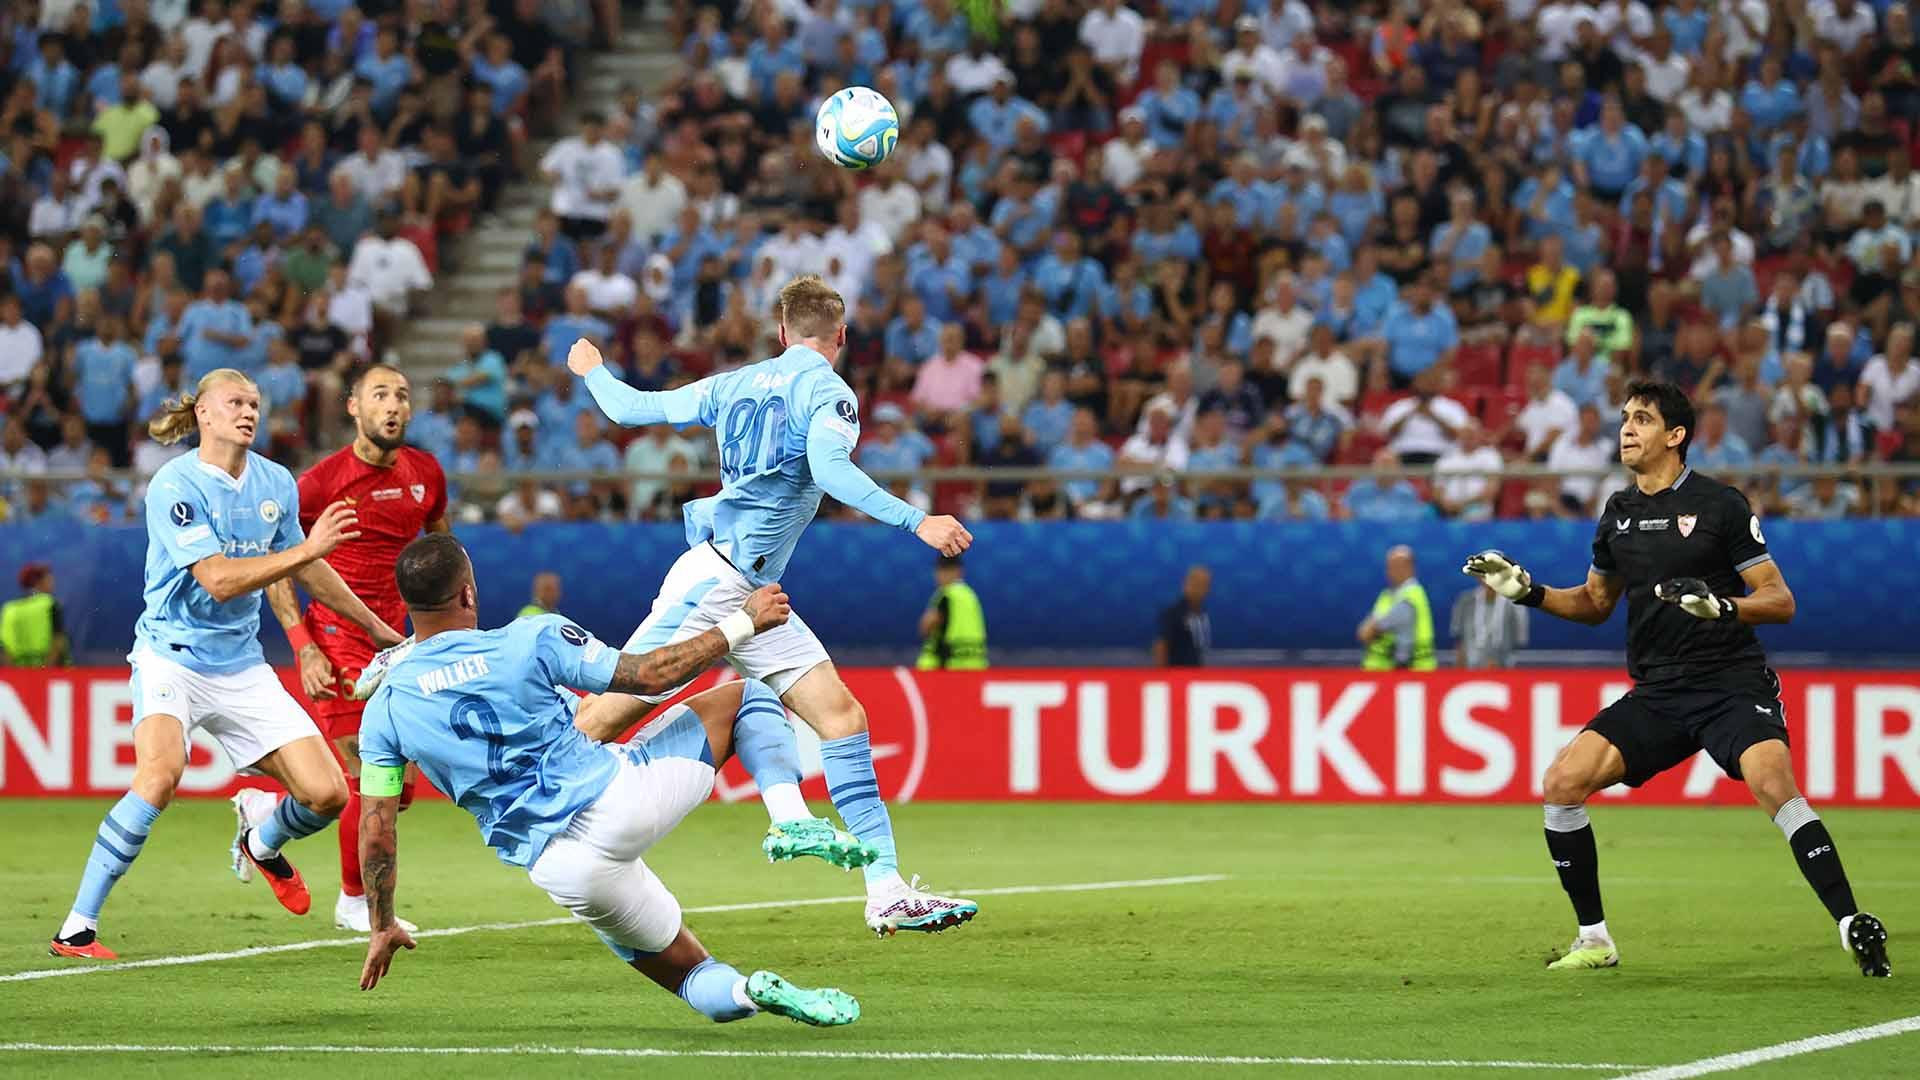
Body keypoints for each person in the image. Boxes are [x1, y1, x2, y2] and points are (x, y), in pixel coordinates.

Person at [440, 274, 977, 936]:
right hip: (714, 582)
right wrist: (917, 521)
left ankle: (887, 888)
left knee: (841, 717)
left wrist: (592, 369)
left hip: (755, 595)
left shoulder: (734, 383)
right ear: (841, 336)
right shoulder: (830, 393)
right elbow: (833, 474)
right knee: (606, 711)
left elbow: (629, 412)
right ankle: (505, 796)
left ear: (781, 333)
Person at [1463, 379, 1891, 977]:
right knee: (1563, 781)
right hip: (1660, 693)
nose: (1627, 429)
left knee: (1773, 783)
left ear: (1675, 435)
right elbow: (1593, 602)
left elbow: (1780, 599)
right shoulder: (1619, 512)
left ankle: (1851, 923)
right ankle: (1594, 940)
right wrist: (1528, 592)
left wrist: (1723, 607)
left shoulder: (1721, 505)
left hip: (1730, 682)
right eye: (1624, 419)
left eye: (1641, 419)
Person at [354, 534, 859, 1027]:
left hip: (561, 868)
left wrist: (381, 925)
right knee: (748, 698)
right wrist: (741, 623)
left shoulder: (384, 710)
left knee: (689, 975)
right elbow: (649, 675)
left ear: (408, 606)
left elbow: (377, 832)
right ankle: (791, 820)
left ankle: (742, 992)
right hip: (617, 800)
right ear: (468, 593)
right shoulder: (530, 638)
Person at [50, 369, 402, 960]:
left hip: (240, 665)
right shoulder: (174, 485)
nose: (248, 412)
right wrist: (306, 549)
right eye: (235, 402)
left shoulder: (275, 482)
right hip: (171, 658)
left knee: (328, 794)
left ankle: (261, 839)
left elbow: (306, 568)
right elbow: (216, 580)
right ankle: (77, 927)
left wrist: (378, 628)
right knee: (160, 776)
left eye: (255, 404)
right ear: (205, 415)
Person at [263, 364, 449, 934]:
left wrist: (442, 633)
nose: (392, 405)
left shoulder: (427, 473)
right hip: (339, 638)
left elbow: (441, 550)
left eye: (401, 395)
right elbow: (279, 563)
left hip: (397, 641)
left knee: (398, 791)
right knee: (366, 773)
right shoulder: (319, 484)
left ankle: (265, 825)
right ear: (354, 408)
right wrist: (303, 646)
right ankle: (352, 899)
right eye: (379, 395)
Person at [1356, 545, 1435, 671]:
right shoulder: (1387, 595)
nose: (1389, 571)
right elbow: (1364, 631)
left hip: (1412, 671)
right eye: (1388, 566)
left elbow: (1370, 631)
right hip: (1379, 670)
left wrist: (1372, 627)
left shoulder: (1410, 596)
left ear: (1408, 567)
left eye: (1394, 566)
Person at [916, 555, 988, 670]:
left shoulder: (946, 595)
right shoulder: (970, 595)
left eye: (942, 570)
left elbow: (928, 625)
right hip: (974, 664)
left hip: (947, 666)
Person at [1450, 581, 1529, 669]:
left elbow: (1519, 639)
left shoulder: (1515, 605)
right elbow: (1458, 635)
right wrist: (1460, 660)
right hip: (1471, 667)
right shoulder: (1466, 600)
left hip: (1503, 667)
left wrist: (1498, 659)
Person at [2, 562, 68, 667]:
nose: (53, 584)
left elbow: (4, 649)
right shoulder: (49, 604)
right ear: (38, 582)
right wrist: (45, 672)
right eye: (49, 580)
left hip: (18, 675)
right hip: (50, 673)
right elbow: (58, 641)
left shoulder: (9, 610)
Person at [1152, 565, 1211, 667]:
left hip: (1195, 673)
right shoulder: (1174, 613)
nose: (1199, 589)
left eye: (1203, 585)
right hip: (1177, 674)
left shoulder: (1202, 613)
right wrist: (1163, 676)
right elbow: (1161, 645)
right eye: (1195, 584)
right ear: (1186, 585)